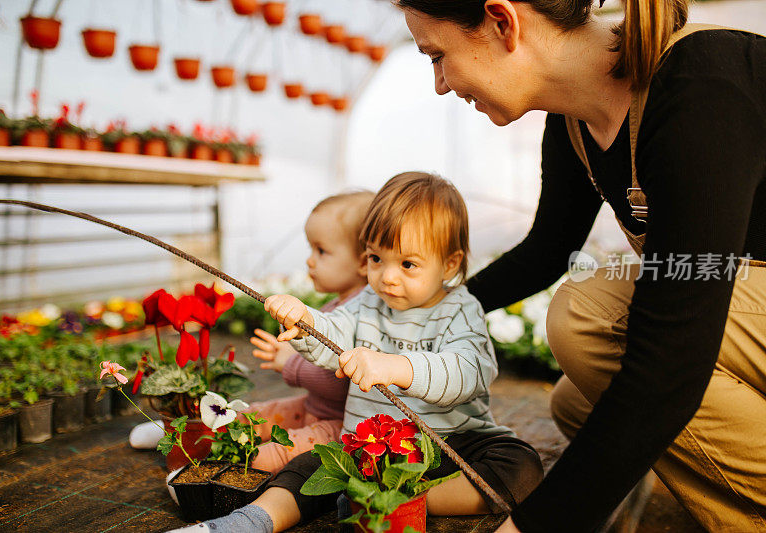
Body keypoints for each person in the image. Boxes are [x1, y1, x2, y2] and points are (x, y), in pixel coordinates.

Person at [398, 0, 766, 532]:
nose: (441, 83)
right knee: (577, 402)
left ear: (502, 21)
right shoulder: (575, 124)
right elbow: (544, 252)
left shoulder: (701, 88)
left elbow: (671, 364)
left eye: (437, 55)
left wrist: (532, 525)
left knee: (592, 315)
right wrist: (412, 313)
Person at [169, 172, 544, 533]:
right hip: (365, 448)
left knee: (520, 466)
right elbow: (336, 333)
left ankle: (401, 501)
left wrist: (395, 367)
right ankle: (245, 523)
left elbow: (468, 373)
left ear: (449, 263)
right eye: (376, 258)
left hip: (448, 441)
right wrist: (305, 320)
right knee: (304, 470)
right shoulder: (368, 302)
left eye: (408, 263)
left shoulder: (461, 310)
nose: (387, 276)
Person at [244, 190, 374, 473]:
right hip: (313, 406)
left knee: (268, 456)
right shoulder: (334, 305)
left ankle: (215, 465)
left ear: (364, 262)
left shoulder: (364, 314)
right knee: (256, 414)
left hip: (339, 427)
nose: (310, 261)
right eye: (310, 249)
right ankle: (193, 433)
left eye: (321, 250)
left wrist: (290, 364)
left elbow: (339, 383)